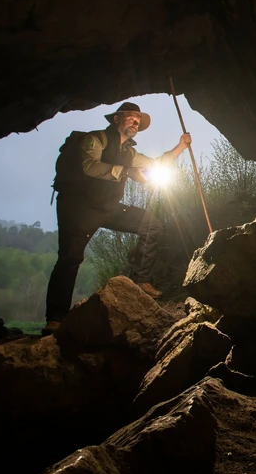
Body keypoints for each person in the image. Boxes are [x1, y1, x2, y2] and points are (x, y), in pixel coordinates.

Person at [42, 102, 192, 336]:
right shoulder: (95, 139)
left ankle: (140, 281)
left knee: (151, 224)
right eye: (131, 117)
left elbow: (155, 163)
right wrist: (125, 172)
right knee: (70, 259)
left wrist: (181, 147)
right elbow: (89, 166)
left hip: (107, 207)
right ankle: (55, 319)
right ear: (116, 119)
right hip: (78, 208)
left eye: (138, 120)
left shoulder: (129, 152)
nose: (135, 122)